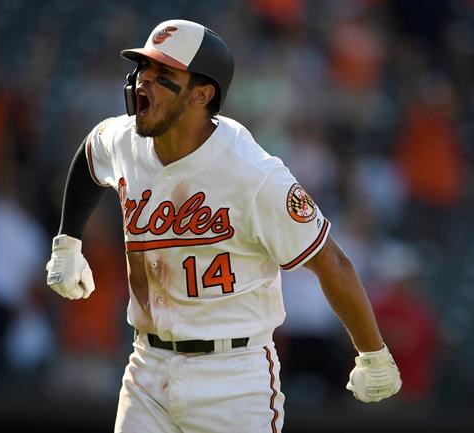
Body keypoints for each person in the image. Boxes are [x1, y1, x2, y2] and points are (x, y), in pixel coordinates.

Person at [45, 19, 401, 433]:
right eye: (144, 69)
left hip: (234, 378)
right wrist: (68, 242)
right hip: (147, 366)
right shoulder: (125, 140)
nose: (144, 83)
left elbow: (331, 262)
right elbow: (90, 157)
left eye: (164, 75)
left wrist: (372, 354)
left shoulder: (254, 174)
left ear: (202, 94)